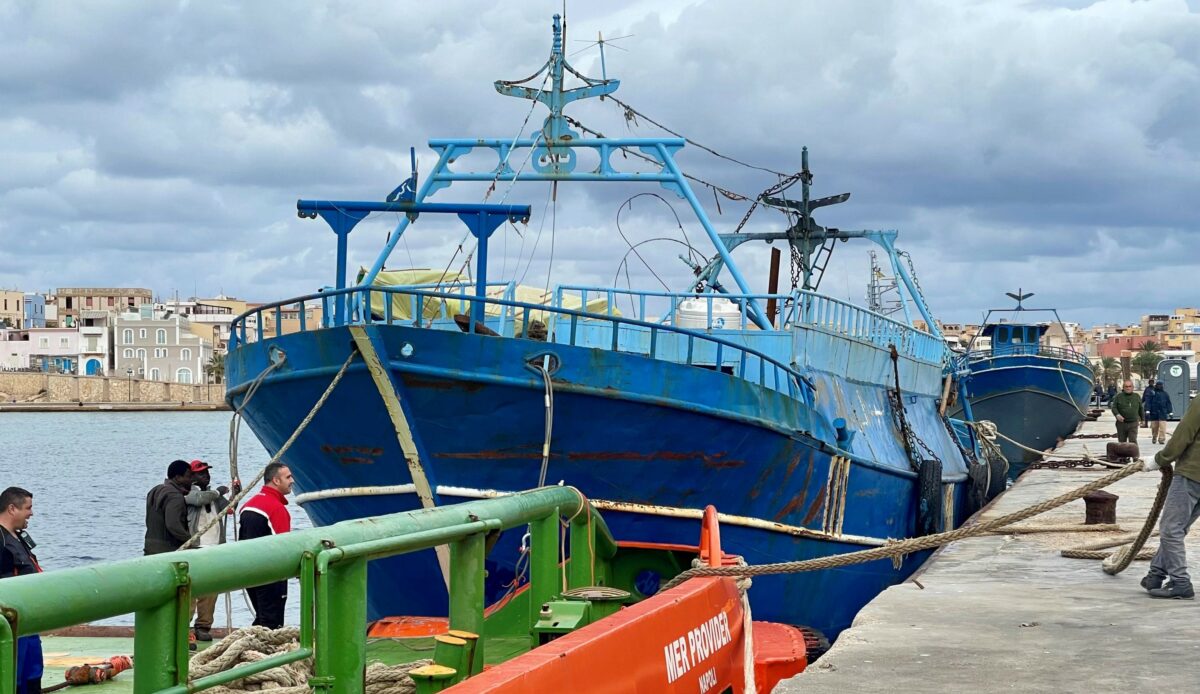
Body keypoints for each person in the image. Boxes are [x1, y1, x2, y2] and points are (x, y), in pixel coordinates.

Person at [1141, 394, 1200, 599]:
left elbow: (1184, 434)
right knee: (1178, 528)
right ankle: (1155, 575)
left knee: (1170, 528)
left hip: (1192, 474)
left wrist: (1159, 459)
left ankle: (1180, 582)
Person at [185, 460, 238, 642]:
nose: (205, 476)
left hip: (214, 547)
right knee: (190, 592)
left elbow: (229, 509)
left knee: (211, 590)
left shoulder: (213, 495)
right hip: (195, 547)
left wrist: (235, 494)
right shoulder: (188, 492)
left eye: (206, 473)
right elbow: (200, 499)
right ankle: (185, 628)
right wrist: (219, 491)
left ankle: (203, 626)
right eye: (200, 473)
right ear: (191, 476)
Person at [239, 463, 294, 629]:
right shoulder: (276, 509)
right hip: (271, 574)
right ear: (276, 481)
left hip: (249, 573)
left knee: (262, 619)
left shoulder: (247, 505)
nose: (292, 480)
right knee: (272, 623)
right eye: (288, 477)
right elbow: (284, 546)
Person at [0, 487, 43, 694]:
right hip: (12, 620)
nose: (31, 513)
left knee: (33, 675)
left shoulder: (18, 537)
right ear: (11, 509)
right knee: (14, 678)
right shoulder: (1, 541)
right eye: (28, 508)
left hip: (29, 618)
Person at [144, 460, 194, 555]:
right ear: (178, 477)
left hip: (149, 545)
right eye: (189, 477)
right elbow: (173, 525)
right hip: (166, 549)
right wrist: (189, 540)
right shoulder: (175, 496)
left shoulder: (155, 490)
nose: (191, 480)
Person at [1110, 379, 1142, 444]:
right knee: (1122, 442)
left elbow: (1141, 408)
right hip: (1121, 424)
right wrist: (1117, 414)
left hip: (1133, 423)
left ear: (1132, 387)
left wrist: (1143, 419)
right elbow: (1114, 407)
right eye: (1126, 386)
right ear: (1123, 387)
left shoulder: (1137, 396)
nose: (1128, 388)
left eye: (1130, 386)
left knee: (1133, 440)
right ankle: (1122, 454)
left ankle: (1134, 454)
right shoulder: (1118, 396)